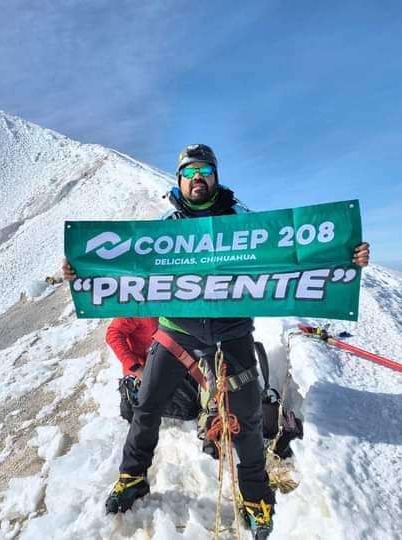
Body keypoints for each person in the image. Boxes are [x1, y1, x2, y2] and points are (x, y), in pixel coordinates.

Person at [62, 144, 370, 537]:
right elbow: (128, 265)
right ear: (178, 180)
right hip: (176, 330)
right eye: (189, 172)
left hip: (232, 331)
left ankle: (255, 495)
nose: (197, 178)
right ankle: (132, 477)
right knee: (147, 405)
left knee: (248, 417)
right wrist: (83, 269)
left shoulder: (242, 221)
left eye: (204, 170)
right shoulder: (166, 224)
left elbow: (290, 253)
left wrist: (346, 256)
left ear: (216, 176)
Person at [107, 317, 199, 423]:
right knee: (190, 408)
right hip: (145, 370)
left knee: (202, 395)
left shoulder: (168, 303)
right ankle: (134, 399)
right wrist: (136, 368)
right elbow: (113, 334)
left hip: (170, 360)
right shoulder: (138, 306)